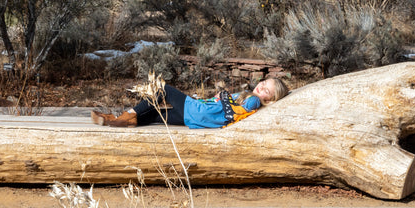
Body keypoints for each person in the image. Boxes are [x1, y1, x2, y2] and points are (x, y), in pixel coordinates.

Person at [91, 78, 289, 129]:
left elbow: (231, 113)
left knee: (163, 89)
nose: (261, 87)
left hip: (200, 112)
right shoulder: (251, 98)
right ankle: (120, 121)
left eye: (267, 90)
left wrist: (225, 95)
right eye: (263, 83)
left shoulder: (254, 101)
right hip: (200, 119)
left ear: (269, 99)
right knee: (156, 115)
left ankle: (125, 115)